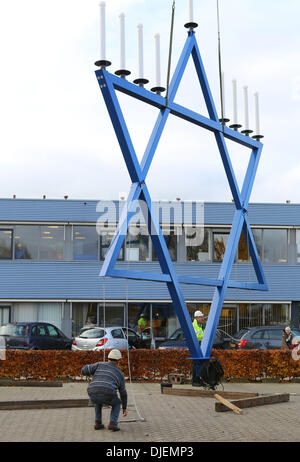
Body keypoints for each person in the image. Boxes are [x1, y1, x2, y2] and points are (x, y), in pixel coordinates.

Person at [81, 349, 128, 431]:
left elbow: (84, 370)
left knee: (97, 400)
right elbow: (123, 393)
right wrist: (124, 407)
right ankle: (113, 423)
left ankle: (98, 422)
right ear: (118, 361)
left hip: (92, 391)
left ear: (108, 358)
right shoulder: (120, 373)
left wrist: (87, 372)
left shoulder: (99, 364)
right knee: (117, 403)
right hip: (108, 392)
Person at [192, 310, 205, 386]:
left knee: (201, 364)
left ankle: (199, 380)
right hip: (196, 345)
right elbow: (198, 336)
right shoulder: (194, 326)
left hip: (201, 345)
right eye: (201, 317)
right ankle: (195, 381)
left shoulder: (200, 325)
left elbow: (203, 334)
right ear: (197, 318)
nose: (202, 318)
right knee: (196, 364)